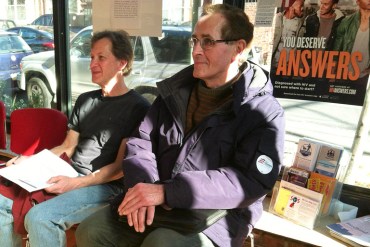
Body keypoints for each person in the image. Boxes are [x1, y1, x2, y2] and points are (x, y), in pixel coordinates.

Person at [76, 3, 285, 247]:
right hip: (157, 199)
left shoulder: (262, 112)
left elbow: (250, 180)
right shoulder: (174, 93)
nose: (196, 50)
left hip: (217, 216)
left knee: (161, 243)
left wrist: (167, 193)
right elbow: (140, 141)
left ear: (237, 49)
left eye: (207, 42)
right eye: (194, 40)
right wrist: (144, 187)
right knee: (91, 230)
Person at [0, 30, 150, 247]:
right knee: (2, 200)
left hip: (107, 187)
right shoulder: (85, 100)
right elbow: (67, 147)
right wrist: (29, 160)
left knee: (41, 218)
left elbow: (120, 168)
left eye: (101, 57)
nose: (92, 64)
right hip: (70, 173)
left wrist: (75, 183)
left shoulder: (139, 108)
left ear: (122, 63)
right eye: (91, 57)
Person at [333, 0, 370, 79]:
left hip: (366, 77)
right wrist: (333, 74)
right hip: (346, 74)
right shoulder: (346, 22)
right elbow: (336, 52)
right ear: (357, 1)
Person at [271, 0, 305, 67]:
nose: (302, 8)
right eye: (300, 6)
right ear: (291, 7)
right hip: (274, 64)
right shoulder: (278, 19)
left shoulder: (301, 23)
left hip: (289, 66)